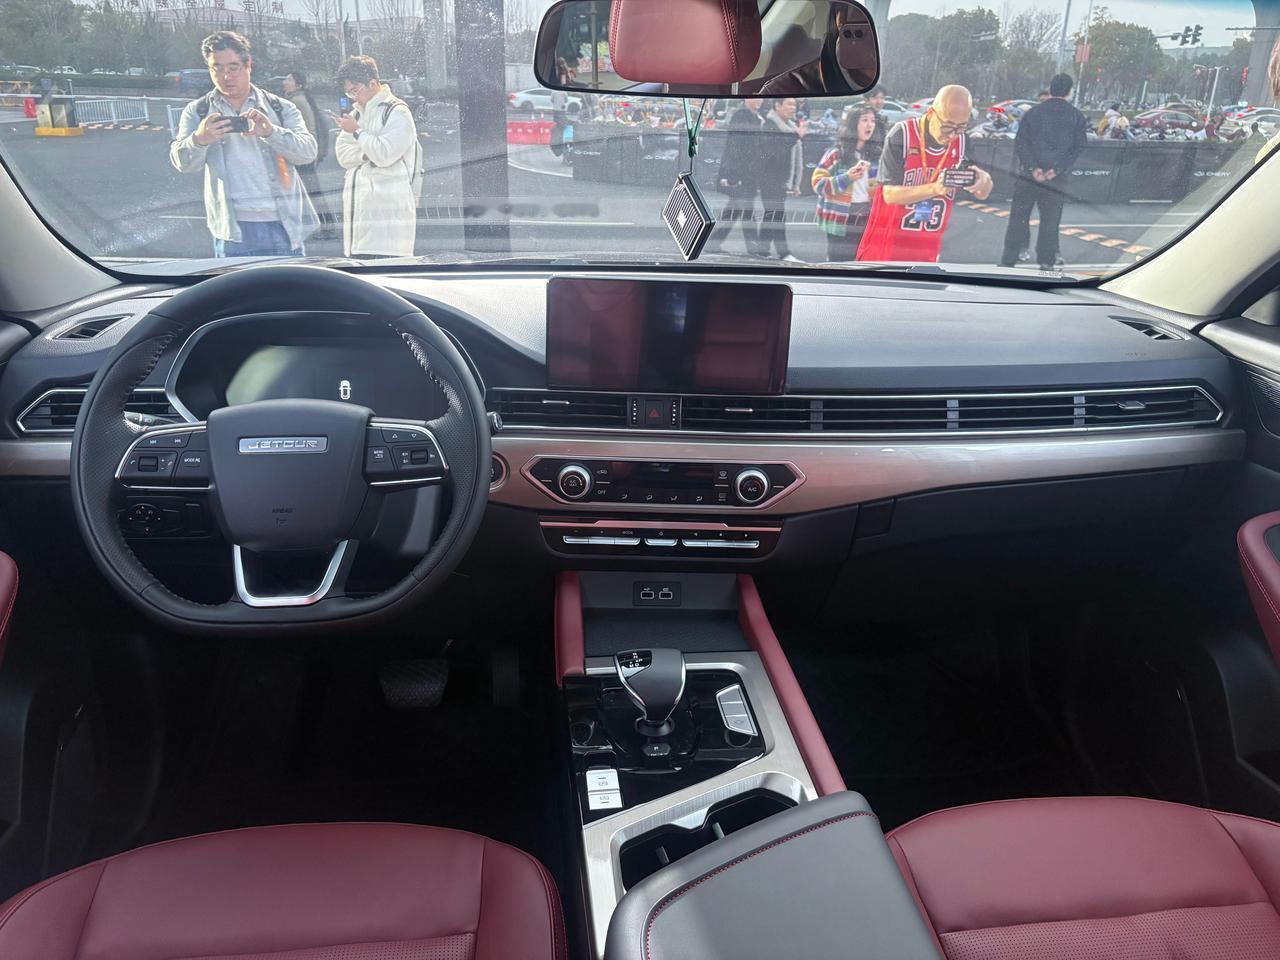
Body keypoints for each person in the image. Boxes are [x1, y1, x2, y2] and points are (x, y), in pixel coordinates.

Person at [170, 31, 318, 258]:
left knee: (287, 283)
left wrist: (271, 132)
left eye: (233, 68)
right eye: (217, 68)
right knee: (236, 284)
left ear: (248, 65)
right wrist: (199, 139)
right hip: (232, 230)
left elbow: (308, 152)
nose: (226, 76)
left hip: (283, 224)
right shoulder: (198, 111)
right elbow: (183, 163)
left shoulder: (280, 107)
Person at [856, 84, 992, 264]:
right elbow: (889, 194)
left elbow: (981, 193)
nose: (952, 135)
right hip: (887, 245)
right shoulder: (902, 134)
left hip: (927, 247)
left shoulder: (962, 140)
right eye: (947, 126)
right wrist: (934, 189)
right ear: (930, 113)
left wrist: (984, 181)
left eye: (961, 127)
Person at [332, 55, 421, 259]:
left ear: (372, 83)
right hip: (356, 231)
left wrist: (357, 133)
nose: (353, 97)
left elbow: (384, 154)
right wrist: (366, 153)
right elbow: (343, 155)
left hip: (388, 233)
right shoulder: (356, 114)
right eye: (349, 92)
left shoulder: (397, 112)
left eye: (355, 90)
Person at [999, 73, 1086, 272]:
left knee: (1018, 218)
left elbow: (1021, 142)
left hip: (1029, 177)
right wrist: (1056, 169)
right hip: (1056, 180)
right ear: (1069, 91)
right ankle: (1046, 261)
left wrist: (1033, 168)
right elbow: (1078, 147)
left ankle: (1008, 259)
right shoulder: (1076, 116)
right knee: (1050, 221)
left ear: (1051, 88)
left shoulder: (1033, 113)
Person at [760, 5, 876, 97]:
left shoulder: (887, 87)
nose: (879, 29)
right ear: (840, 18)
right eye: (870, 11)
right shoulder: (780, 91)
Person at [812, 105, 876, 262]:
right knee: (838, 263)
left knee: (860, 262)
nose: (870, 125)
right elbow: (818, 184)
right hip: (841, 217)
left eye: (873, 120)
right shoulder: (836, 154)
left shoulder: (875, 155)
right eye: (864, 120)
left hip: (866, 216)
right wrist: (847, 177)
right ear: (853, 124)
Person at [706, 97, 766, 256]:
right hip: (742, 173)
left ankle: (713, 243)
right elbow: (736, 147)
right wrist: (734, 175)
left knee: (734, 210)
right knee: (747, 211)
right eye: (756, 98)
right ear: (746, 99)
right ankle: (754, 250)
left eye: (761, 98)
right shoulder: (742, 116)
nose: (760, 101)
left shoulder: (754, 117)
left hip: (746, 173)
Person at [282, 71, 336, 240]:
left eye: (289, 79)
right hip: (308, 152)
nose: (285, 82)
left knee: (311, 192)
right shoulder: (301, 98)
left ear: (298, 85)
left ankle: (327, 227)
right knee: (311, 191)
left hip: (304, 153)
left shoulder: (296, 102)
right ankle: (326, 225)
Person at [758, 97, 807, 261]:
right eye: (789, 104)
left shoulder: (791, 127)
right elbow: (775, 153)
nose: (793, 108)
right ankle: (783, 253)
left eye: (795, 104)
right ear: (777, 106)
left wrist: (795, 183)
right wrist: (795, 137)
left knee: (772, 216)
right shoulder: (770, 125)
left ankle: (762, 251)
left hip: (781, 180)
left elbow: (796, 160)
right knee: (777, 216)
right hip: (770, 179)